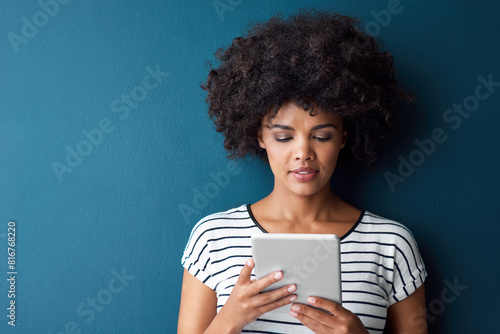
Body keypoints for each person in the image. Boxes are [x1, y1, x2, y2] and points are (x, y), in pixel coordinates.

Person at [178, 9, 427, 334]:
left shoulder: (391, 245)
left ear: (342, 138)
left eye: (322, 136)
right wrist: (229, 320)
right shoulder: (212, 239)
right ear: (260, 136)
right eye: (283, 136)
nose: (303, 154)